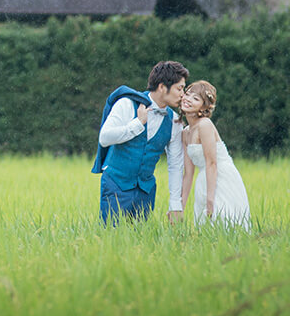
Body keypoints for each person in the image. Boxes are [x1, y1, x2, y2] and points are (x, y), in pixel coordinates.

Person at [92, 60, 188, 224]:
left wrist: (175, 205)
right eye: (179, 88)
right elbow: (105, 137)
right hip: (116, 184)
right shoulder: (127, 103)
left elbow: (175, 164)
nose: (183, 94)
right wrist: (137, 124)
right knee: (111, 241)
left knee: (139, 243)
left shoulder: (175, 121)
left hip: (145, 191)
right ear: (162, 87)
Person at [179, 80, 250, 228]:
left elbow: (211, 163)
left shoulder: (204, 125)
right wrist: (179, 207)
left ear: (204, 108)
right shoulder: (185, 133)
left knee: (223, 220)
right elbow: (188, 174)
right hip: (203, 180)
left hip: (221, 177)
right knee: (206, 229)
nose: (188, 99)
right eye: (187, 94)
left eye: (196, 98)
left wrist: (210, 199)